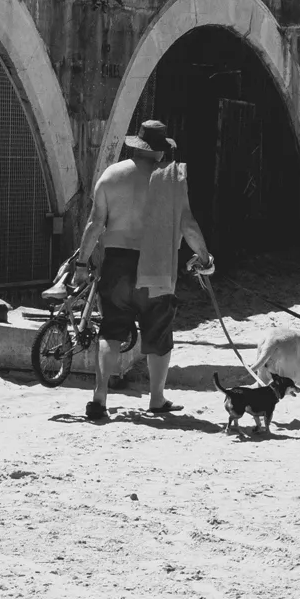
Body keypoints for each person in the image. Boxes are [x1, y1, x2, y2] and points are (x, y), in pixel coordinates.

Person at [74, 119, 213, 424]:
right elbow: (188, 225)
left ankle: (99, 397)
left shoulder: (111, 175)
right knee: (159, 332)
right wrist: (204, 258)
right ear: (161, 152)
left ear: (136, 145)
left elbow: (94, 225)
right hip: (157, 266)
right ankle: (157, 398)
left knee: (110, 329)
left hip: (117, 265)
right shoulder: (171, 179)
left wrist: (82, 264)